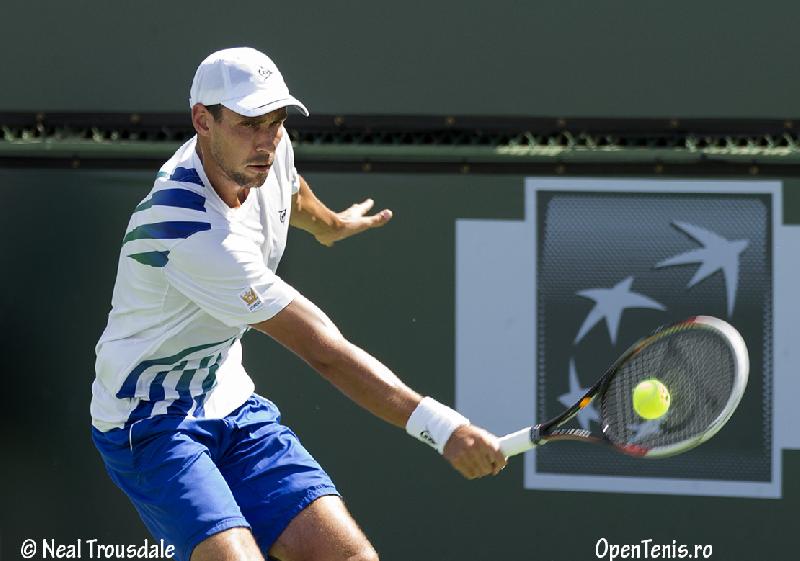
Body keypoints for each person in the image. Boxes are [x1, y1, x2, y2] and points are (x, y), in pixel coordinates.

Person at [91, 47, 506, 561]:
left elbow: (291, 189)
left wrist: (330, 227)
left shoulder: (268, 150)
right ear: (203, 120)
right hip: (149, 422)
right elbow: (322, 349)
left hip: (231, 400)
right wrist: (445, 429)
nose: (266, 140)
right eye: (249, 123)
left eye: (276, 121)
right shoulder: (188, 227)